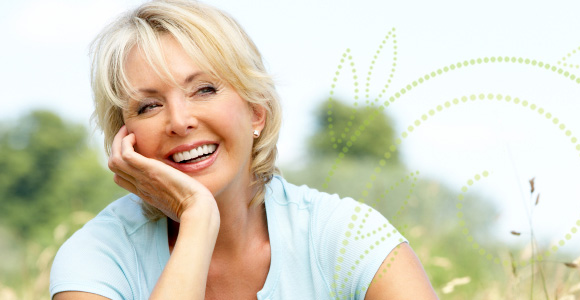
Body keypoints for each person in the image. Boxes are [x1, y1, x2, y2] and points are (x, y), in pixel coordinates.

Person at [48, 0, 437, 299]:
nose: (179, 121)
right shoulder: (98, 255)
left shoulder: (346, 237)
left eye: (204, 89)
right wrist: (198, 221)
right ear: (126, 138)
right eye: (148, 106)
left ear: (256, 112)